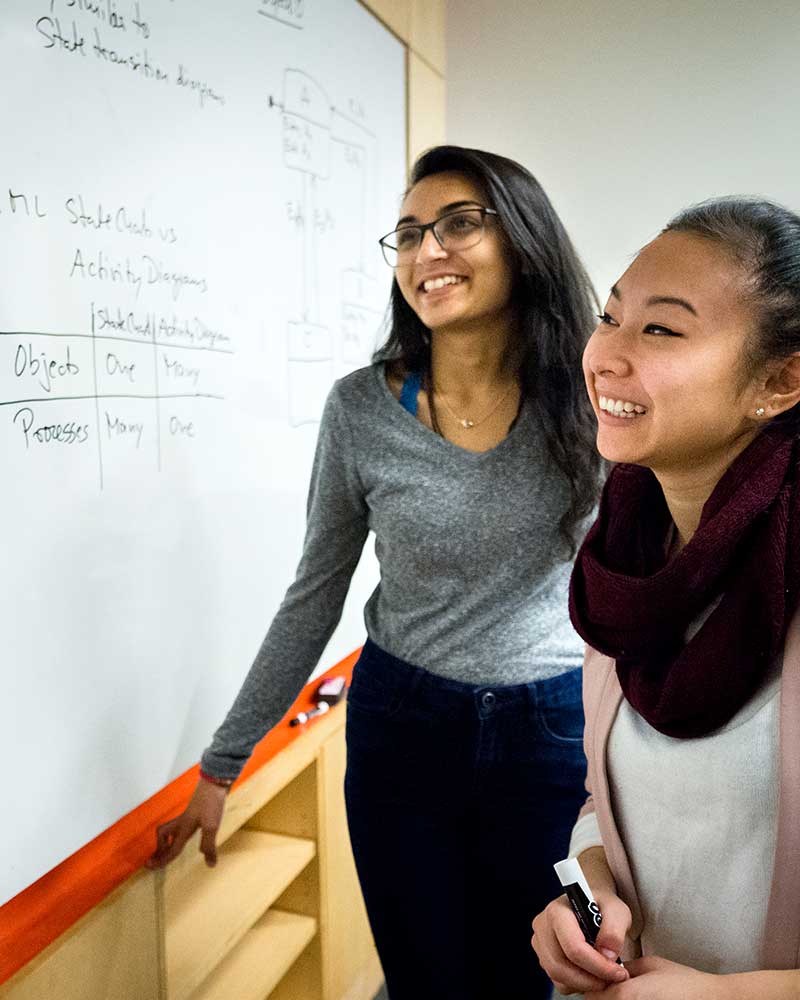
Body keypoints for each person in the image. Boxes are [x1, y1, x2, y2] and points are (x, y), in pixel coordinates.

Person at [148, 145, 601, 1000]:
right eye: (408, 234)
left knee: (528, 978)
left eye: (460, 224)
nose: (427, 252)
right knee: (423, 979)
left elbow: (643, 586)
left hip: (549, 733)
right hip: (403, 727)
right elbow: (314, 591)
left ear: (525, 241)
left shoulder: (587, 399)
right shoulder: (360, 408)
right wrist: (222, 763)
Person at [531, 196, 800, 999]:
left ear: (780, 381)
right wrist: (583, 897)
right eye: (609, 316)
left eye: (661, 329)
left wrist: (731, 995)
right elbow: (602, 803)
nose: (606, 355)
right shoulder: (628, 563)